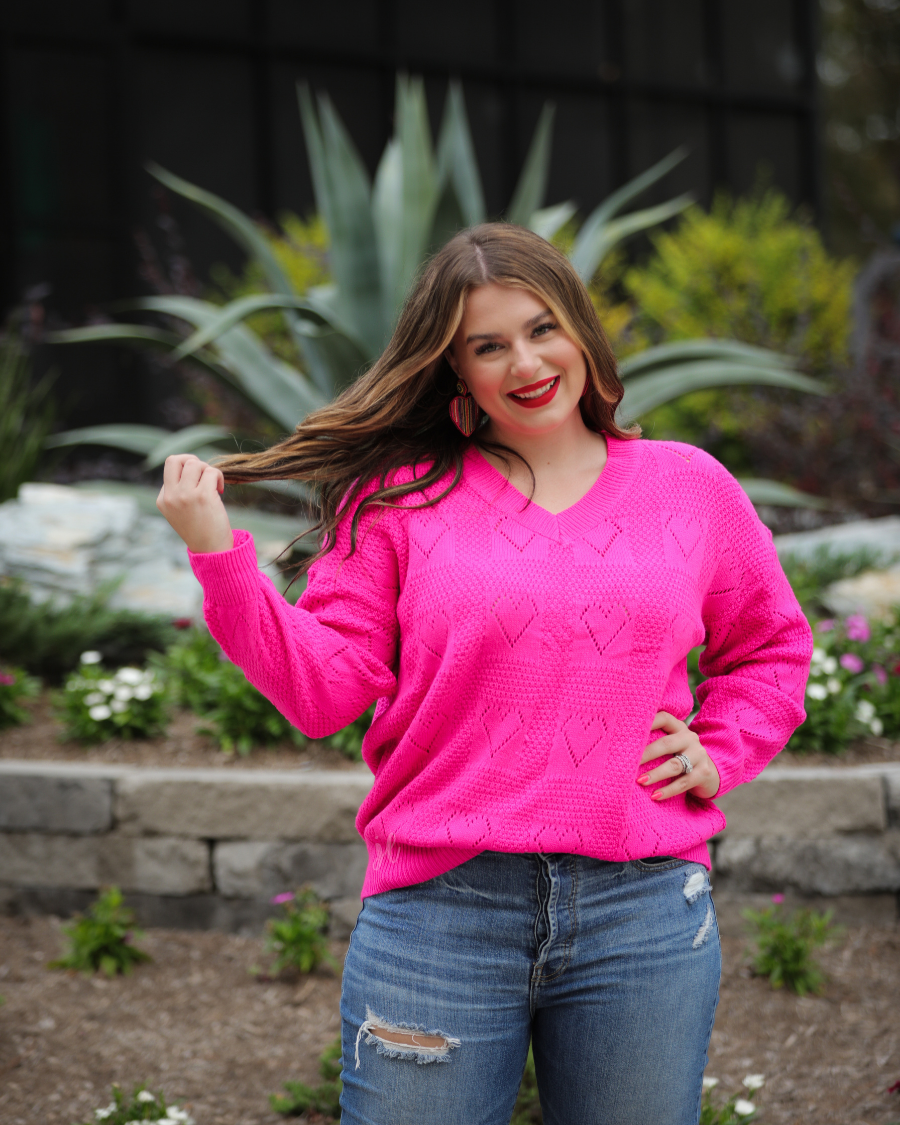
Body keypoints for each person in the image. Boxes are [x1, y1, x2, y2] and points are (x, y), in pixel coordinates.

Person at [157, 223, 812, 1125]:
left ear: (581, 330)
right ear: (454, 370)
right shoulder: (396, 497)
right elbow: (323, 691)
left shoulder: (690, 487)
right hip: (442, 911)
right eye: (488, 345)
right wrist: (217, 555)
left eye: (543, 328)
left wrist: (719, 750)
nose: (526, 362)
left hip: (644, 909)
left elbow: (770, 645)